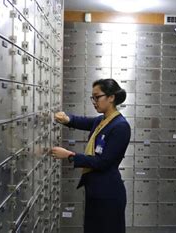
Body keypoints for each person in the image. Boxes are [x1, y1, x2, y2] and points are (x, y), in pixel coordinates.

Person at [51, 78, 131, 233]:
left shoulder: (120, 126)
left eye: (97, 97)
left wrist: (70, 155)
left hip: (108, 193)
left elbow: (103, 163)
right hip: (96, 189)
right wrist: (67, 119)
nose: (94, 101)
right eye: (92, 97)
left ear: (111, 97)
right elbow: (84, 122)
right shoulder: (103, 120)